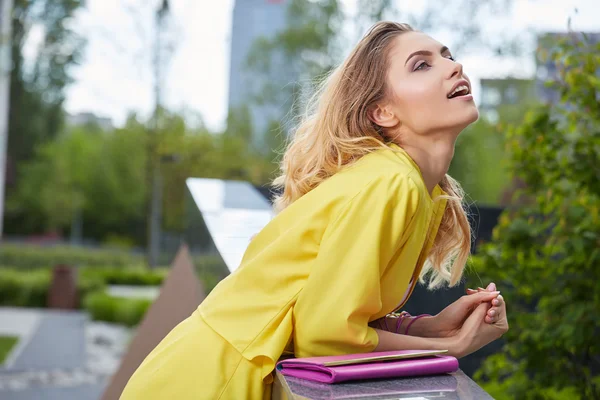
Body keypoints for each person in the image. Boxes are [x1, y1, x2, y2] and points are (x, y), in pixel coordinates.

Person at [121, 21, 509, 400]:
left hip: (209, 370)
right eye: (422, 65)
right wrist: (451, 346)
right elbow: (324, 335)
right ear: (383, 112)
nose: (453, 66)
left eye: (448, 55)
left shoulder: (411, 187)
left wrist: (428, 328)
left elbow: (330, 312)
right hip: (212, 382)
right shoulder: (390, 182)